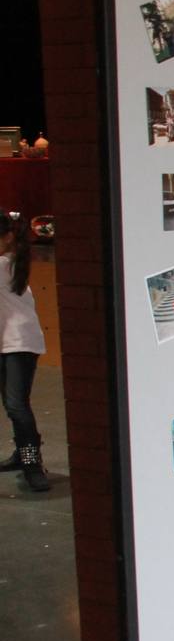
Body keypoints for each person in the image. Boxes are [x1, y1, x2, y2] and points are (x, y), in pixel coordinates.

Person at [0, 210, 50, 491]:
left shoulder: (5, 264)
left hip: (20, 343)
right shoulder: (12, 261)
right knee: (11, 404)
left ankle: (33, 462)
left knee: (17, 404)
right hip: (7, 342)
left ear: (7, 237)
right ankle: (22, 454)